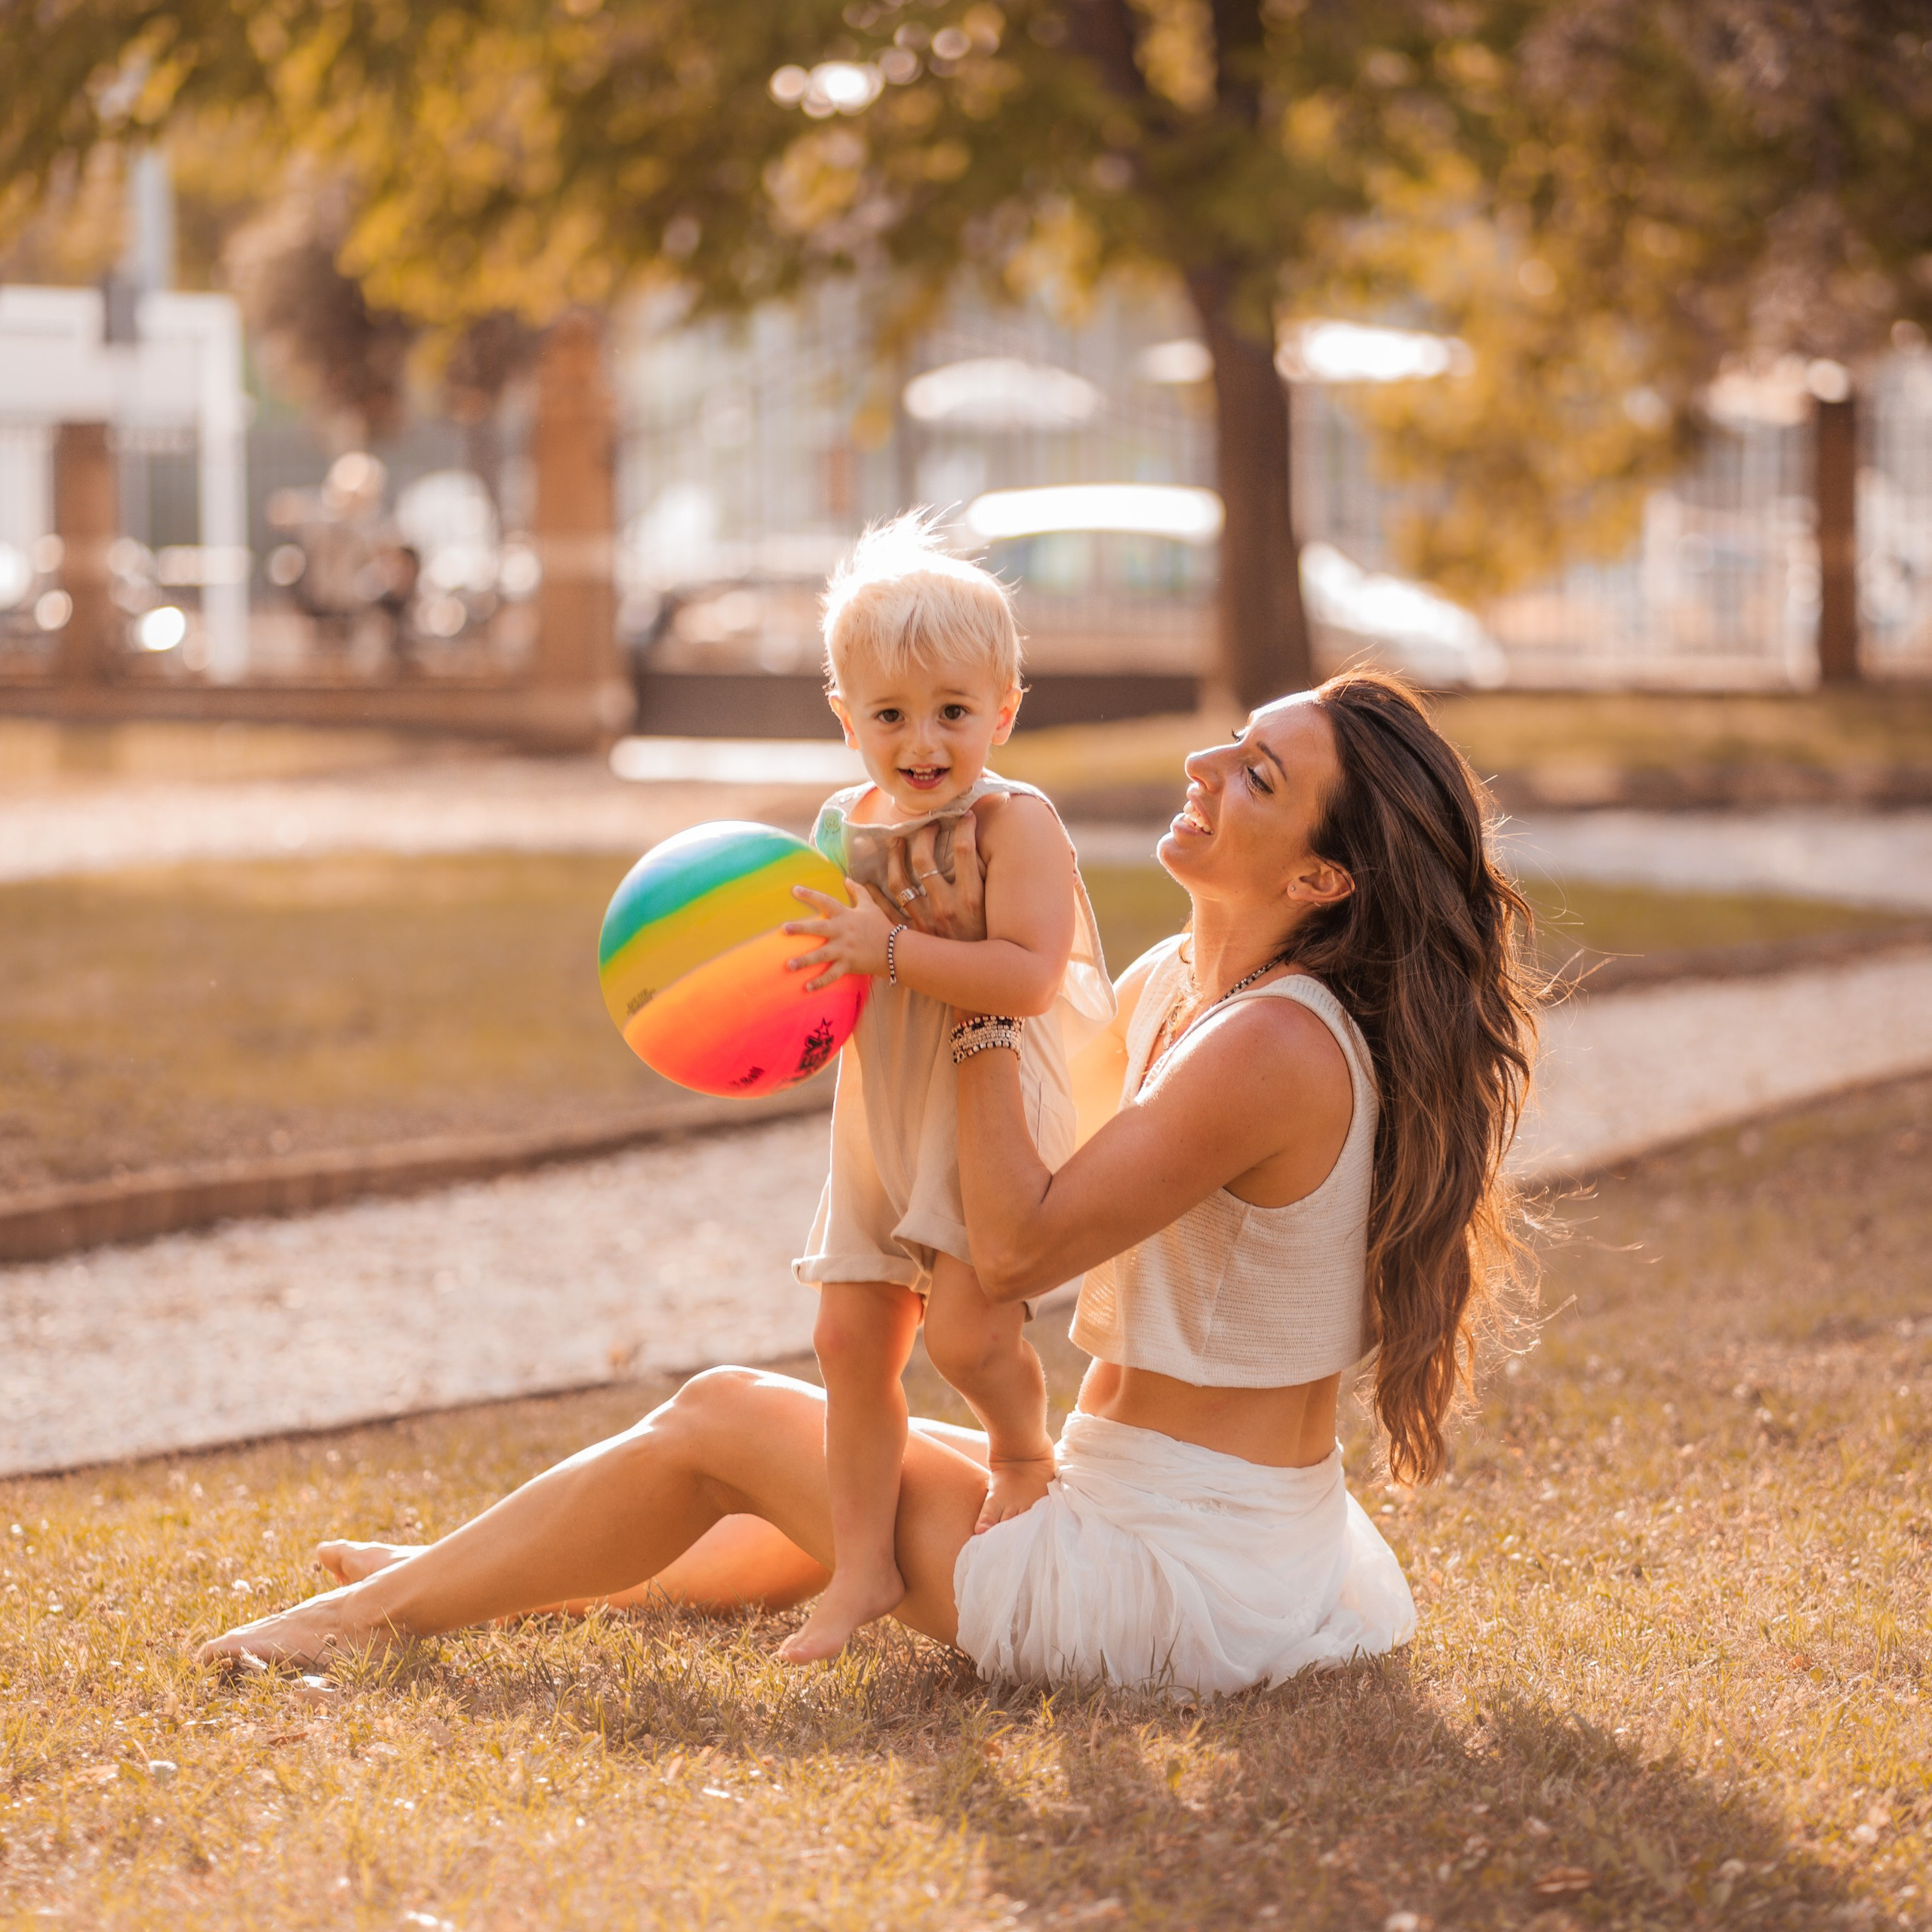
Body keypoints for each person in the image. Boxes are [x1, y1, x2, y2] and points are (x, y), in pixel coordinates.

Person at [200, 672, 1540, 1700]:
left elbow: (1012, 1249)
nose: (1203, 765)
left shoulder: (1272, 1042)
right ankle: (478, 1581)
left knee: (726, 1413)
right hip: (1178, 1509)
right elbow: (995, 1148)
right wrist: (937, 971)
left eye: (1255, 775)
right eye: (1231, 743)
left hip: (1177, 1576)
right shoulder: (1184, 991)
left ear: (1320, 875)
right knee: (844, 1448)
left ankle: (362, 1623)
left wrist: (959, 996)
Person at [779, 513, 1114, 1663]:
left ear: (1005, 710)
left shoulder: (1017, 822)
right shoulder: (837, 830)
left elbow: (1026, 977)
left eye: (953, 712)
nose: (922, 741)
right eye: (890, 715)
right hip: (882, 1108)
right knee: (847, 1335)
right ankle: (861, 1563)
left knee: (968, 1338)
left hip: (989, 1097)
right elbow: (827, 977)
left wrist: (889, 953)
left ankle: (1024, 1451)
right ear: (846, 717)